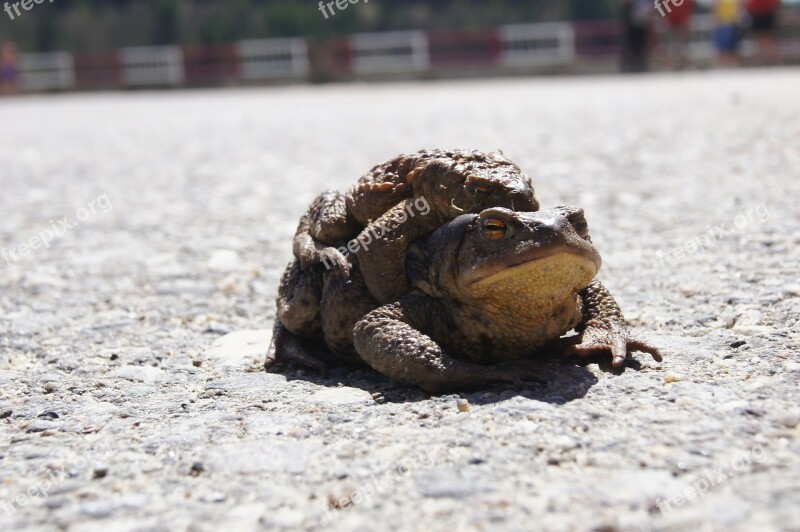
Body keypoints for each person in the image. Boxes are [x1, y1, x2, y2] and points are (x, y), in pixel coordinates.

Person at [621, 0, 653, 73]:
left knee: (641, 46)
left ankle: (641, 66)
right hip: (632, 24)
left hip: (642, 24)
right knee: (631, 47)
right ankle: (629, 67)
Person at [745, 0, 781, 65]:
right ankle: (760, 61)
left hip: (766, 12)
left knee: (768, 38)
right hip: (757, 13)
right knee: (760, 39)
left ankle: (775, 61)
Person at [661, 0, 694, 69]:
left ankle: (682, 64)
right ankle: (672, 64)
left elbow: (689, 6)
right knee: (671, 45)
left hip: (681, 22)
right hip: (672, 22)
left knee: (682, 44)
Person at [713, 0, 742, 67]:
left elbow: (738, 10)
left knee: (732, 47)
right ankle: (722, 64)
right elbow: (715, 9)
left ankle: (731, 64)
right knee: (722, 47)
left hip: (732, 24)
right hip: (722, 24)